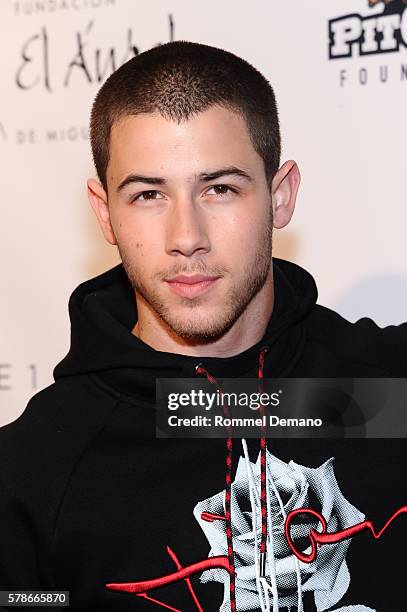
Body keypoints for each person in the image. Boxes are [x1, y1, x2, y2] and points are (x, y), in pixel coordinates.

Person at [0, 40, 406, 612]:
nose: (186, 236)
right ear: (105, 213)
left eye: (219, 188)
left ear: (281, 196)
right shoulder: (33, 473)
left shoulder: (392, 389)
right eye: (148, 195)